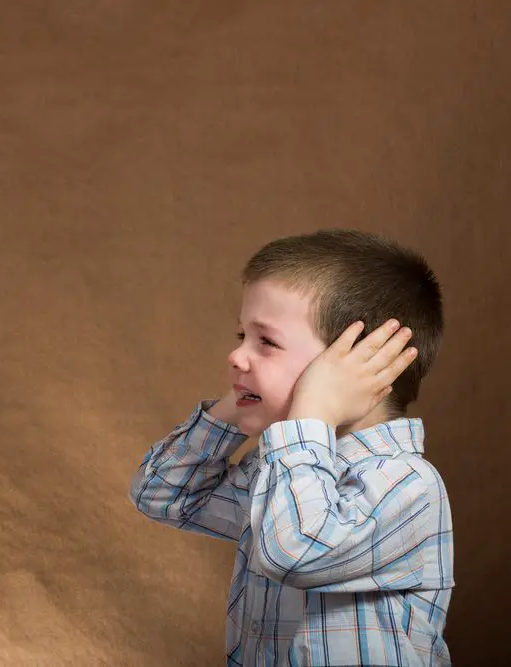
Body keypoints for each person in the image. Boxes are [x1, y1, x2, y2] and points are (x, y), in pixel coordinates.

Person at [129, 230, 453, 665]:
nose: (235, 355)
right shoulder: (278, 468)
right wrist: (241, 399)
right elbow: (164, 495)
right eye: (242, 335)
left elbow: (295, 553)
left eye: (266, 342)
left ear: (359, 364)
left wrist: (312, 410)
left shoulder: (407, 486)